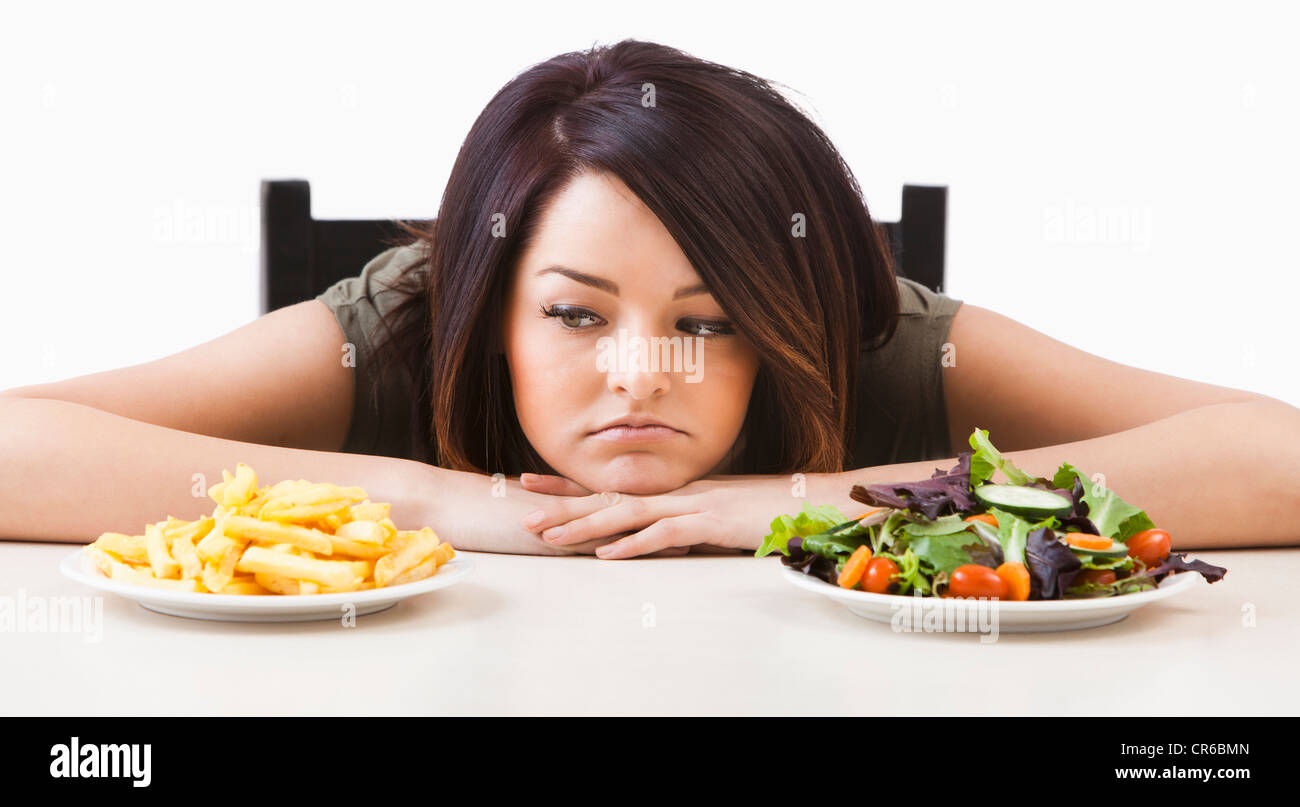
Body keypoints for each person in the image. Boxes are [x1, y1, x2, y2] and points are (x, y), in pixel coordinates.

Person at [4, 40, 1296, 556]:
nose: (637, 372)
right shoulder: (397, 325)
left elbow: (1279, 463)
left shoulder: (879, 338)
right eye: (573, 313)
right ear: (485, 306)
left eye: (706, 317)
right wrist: (430, 500)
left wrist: (799, 510)